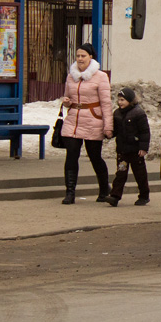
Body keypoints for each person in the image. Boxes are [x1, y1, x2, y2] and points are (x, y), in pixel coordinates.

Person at [59, 43, 113, 205]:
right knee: (71, 155)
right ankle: (70, 193)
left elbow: (106, 103)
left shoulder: (101, 76)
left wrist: (108, 126)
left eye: (83, 56)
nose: (80, 59)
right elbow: (67, 97)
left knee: (95, 157)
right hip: (74, 120)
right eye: (78, 56)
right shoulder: (71, 76)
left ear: (91, 57)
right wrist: (66, 102)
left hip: (93, 120)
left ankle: (104, 189)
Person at [108, 88, 151, 207]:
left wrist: (143, 148)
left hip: (136, 151)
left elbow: (145, 132)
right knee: (120, 174)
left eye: (123, 100)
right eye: (119, 100)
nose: (120, 102)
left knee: (140, 174)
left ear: (130, 100)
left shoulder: (138, 113)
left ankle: (144, 195)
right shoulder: (117, 113)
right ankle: (115, 196)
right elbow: (116, 130)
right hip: (122, 151)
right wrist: (109, 134)